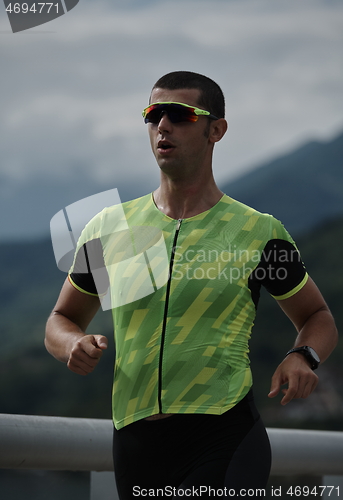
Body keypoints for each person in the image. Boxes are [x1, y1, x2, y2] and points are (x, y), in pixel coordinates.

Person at [45, 71, 338, 498]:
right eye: (153, 114)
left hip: (223, 435)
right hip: (134, 441)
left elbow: (317, 316)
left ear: (215, 129)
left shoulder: (257, 232)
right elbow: (62, 318)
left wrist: (303, 356)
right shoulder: (110, 228)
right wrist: (71, 342)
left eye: (179, 115)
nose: (162, 125)